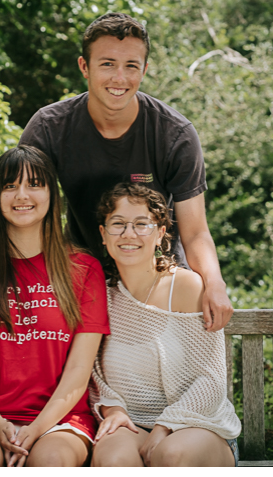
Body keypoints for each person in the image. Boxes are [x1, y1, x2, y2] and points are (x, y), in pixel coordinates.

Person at [0, 12, 234, 335]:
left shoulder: (175, 134)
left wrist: (213, 282)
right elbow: (16, 203)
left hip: (159, 283)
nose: (120, 77)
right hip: (84, 281)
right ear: (84, 67)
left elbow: (195, 231)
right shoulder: (50, 127)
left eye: (131, 66)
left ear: (144, 69)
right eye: (107, 64)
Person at [0, 145, 108, 467]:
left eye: (34, 184)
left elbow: (78, 372)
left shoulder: (84, 270)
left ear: (51, 195)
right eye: (10, 185)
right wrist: (0, 425)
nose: (21, 195)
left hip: (60, 420)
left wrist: (36, 429)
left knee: (50, 460)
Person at [90, 183, 241, 467]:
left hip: (199, 426)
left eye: (141, 224)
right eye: (118, 224)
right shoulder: (102, 296)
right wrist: (113, 410)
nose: (129, 234)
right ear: (103, 234)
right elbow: (93, 371)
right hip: (132, 423)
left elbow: (211, 380)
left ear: (160, 233)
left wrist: (165, 426)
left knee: (170, 455)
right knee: (113, 459)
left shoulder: (186, 286)